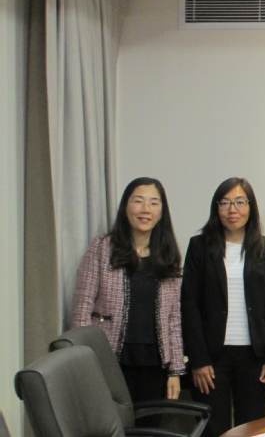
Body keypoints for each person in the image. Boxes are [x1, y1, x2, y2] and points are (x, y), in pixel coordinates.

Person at [72, 177, 185, 425]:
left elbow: (174, 318)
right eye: (138, 201)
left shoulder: (168, 255)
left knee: (148, 428)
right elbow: (82, 308)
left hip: (154, 364)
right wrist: (83, 362)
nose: (145, 209)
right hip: (108, 360)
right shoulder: (102, 248)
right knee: (110, 428)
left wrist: (175, 371)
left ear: (161, 212)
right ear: (126, 207)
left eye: (153, 203)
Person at [180, 178, 265, 436]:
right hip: (212, 358)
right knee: (213, 428)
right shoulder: (200, 246)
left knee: (251, 426)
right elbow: (189, 305)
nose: (232, 210)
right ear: (216, 208)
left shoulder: (264, 247)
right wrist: (198, 360)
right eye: (224, 203)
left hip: (253, 356)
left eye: (239, 202)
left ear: (250, 207)